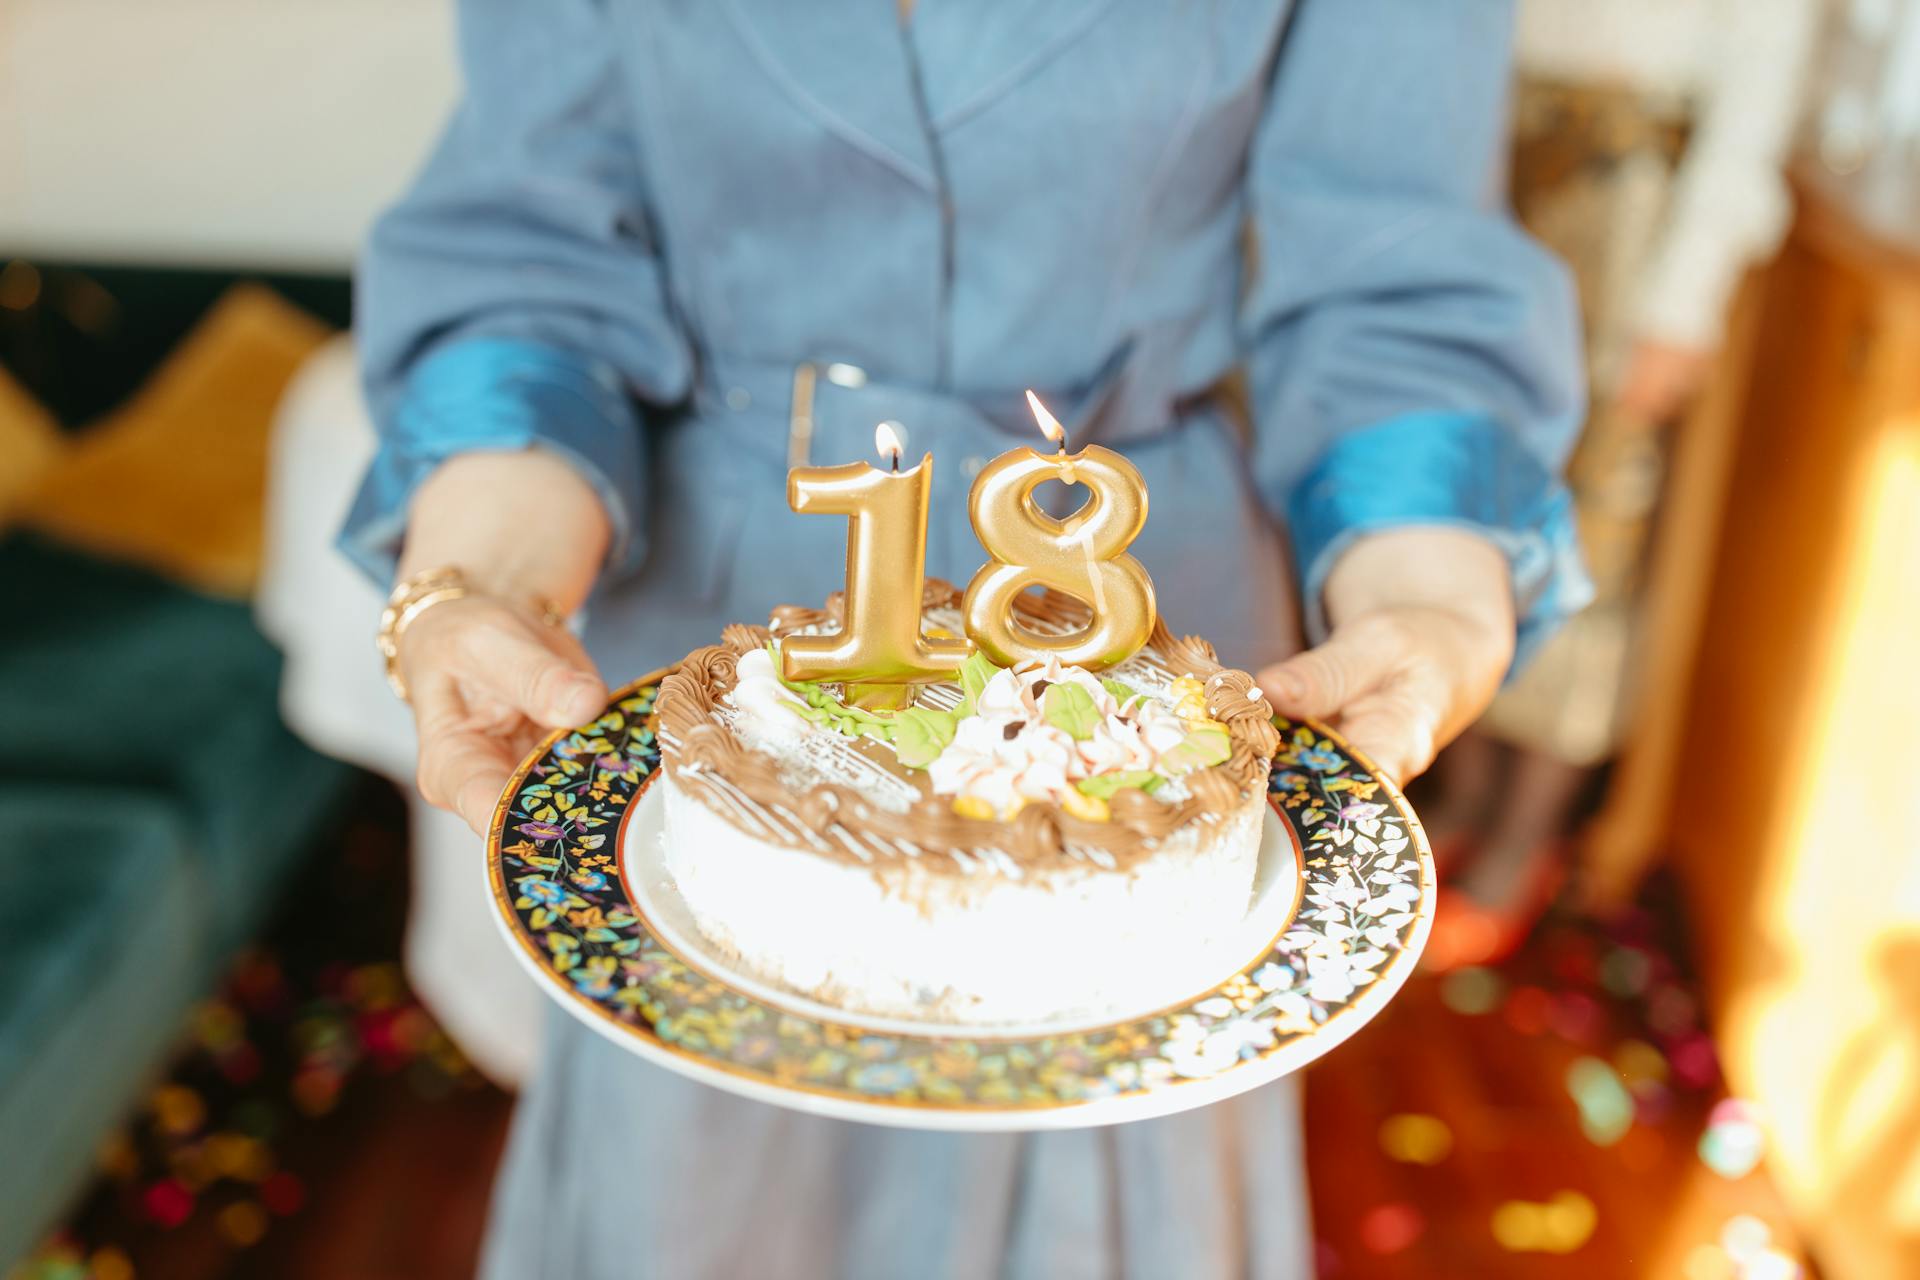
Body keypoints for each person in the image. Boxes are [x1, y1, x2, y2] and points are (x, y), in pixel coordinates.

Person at [340, 2, 1586, 1275]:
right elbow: (533, 262)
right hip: (713, 627)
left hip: (1145, 624)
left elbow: (1397, 286)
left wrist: (1433, 592)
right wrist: (483, 576)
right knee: (701, 1202)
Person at [1422, 0, 1821, 965]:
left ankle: (1528, 832)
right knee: (1468, 500)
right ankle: (1466, 791)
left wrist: (1685, 298)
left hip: (1629, 202)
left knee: (1596, 528)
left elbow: (1763, 82)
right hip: (1493, 170)